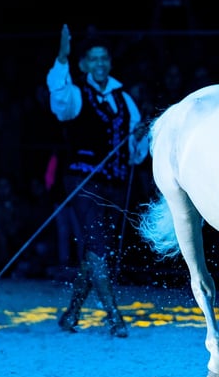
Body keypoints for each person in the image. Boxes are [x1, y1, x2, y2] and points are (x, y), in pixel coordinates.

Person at [45, 24, 149, 338]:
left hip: (114, 184)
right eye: (94, 59)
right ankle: (114, 316)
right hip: (82, 180)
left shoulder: (124, 99)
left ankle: (71, 313)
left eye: (104, 58)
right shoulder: (76, 93)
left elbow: (136, 155)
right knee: (99, 245)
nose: (100, 64)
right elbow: (59, 104)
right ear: (84, 65)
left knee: (95, 251)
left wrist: (140, 138)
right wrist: (61, 60)